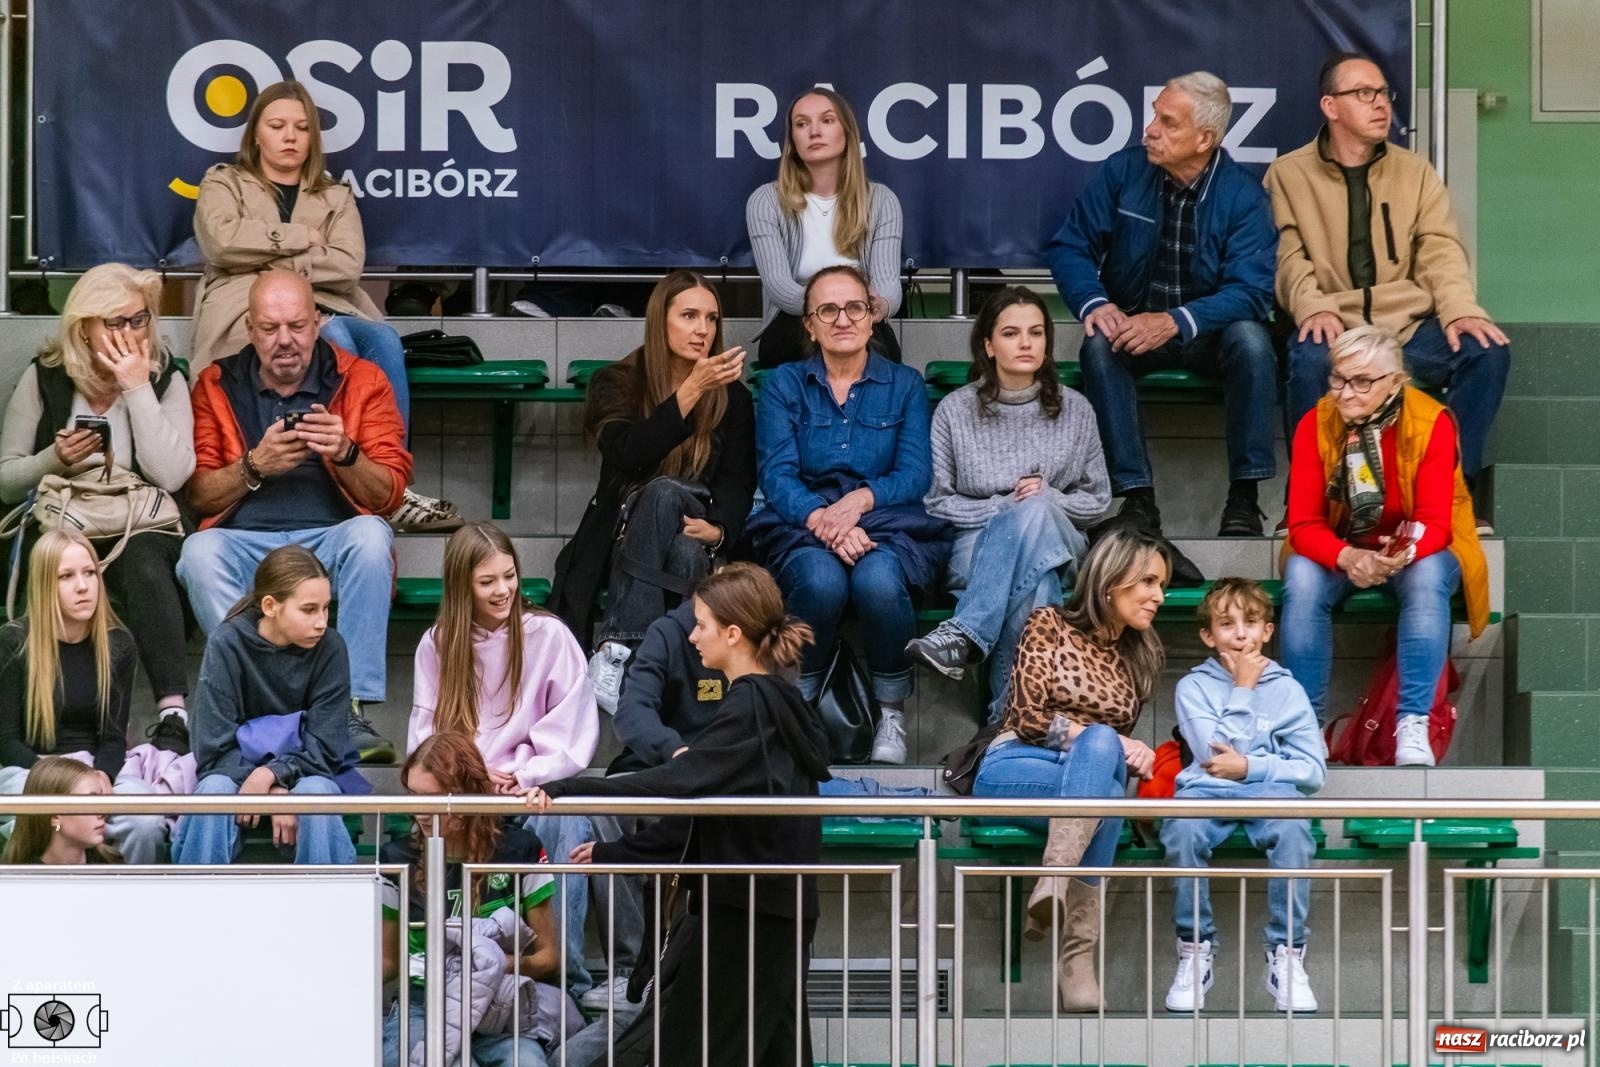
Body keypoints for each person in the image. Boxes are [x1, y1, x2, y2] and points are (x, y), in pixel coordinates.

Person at [528, 563, 831, 1067]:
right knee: (774, 1047)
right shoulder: (773, 701)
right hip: (765, 906)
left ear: (733, 634)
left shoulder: (751, 704)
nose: (692, 637)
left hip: (746, 911)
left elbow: (680, 784)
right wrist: (613, 851)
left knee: (691, 1045)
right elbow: (705, 813)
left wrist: (568, 789)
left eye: (703, 625)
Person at [189, 78, 458, 531]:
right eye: (277, 125)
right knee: (327, 336)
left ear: (313, 136)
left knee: (385, 340)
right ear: (256, 133)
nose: (290, 136)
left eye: (301, 127)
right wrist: (301, 240)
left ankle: (390, 483)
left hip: (336, 303)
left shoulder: (335, 194)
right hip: (249, 308)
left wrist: (264, 252)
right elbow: (221, 243)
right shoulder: (225, 183)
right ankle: (348, 480)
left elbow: (348, 265)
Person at [1267, 52, 1509, 526]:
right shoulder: (1287, 174)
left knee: (1485, 350)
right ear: (1330, 107)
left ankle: (1451, 489)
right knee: (1308, 355)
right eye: (1364, 94)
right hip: (1338, 327)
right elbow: (1286, 257)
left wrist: (1460, 309)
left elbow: (1441, 249)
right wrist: (1312, 306)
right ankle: (1311, 501)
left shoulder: (1414, 172)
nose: (1380, 104)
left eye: (1383, 93)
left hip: (1407, 328)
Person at [177, 269, 409, 763]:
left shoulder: (361, 379)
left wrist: (346, 452)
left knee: (371, 536)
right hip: (246, 542)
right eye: (270, 328)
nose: (285, 340)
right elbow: (197, 494)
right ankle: (258, 703)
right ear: (249, 328)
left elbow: (390, 492)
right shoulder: (217, 383)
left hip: (330, 537)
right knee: (197, 551)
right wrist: (254, 465)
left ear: (319, 321)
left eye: (297, 326)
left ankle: (348, 709)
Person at [1045, 71, 1278, 537]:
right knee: (1097, 344)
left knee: (1253, 342)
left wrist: (1176, 321)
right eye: (1155, 116)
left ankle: (1245, 499)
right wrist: (1094, 303)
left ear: (1204, 138)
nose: (1150, 129)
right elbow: (1069, 246)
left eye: (1168, 122)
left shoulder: (1244, 197)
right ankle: (1136, 499)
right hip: (1136, 330)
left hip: (1206, 336)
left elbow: (1251, 292)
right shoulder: (1122, 170)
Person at [751, 264, 950, 765]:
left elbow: (913, 475)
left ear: (871, 316)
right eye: (828, 310)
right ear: (809, 324)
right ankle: (802, 702)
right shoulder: (782, 385)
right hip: (799, 526)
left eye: (854, 307)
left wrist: (858, 503)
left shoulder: (904, 385)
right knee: (821, 582)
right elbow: (777, 475)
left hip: (886, 524)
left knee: (879, 582)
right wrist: (824, 521)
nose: (843, 319)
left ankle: (890, 712)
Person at [972, 525, 1169, 1011]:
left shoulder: (1138, 657)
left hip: (1081, 789)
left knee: (1107, 784)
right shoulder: (1049, 623)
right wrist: (1112, 740)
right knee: (1102, 751)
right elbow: (1028, 717)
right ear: (1110, 579)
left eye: (1161, 585)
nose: (1158, 596)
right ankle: (1074, 952)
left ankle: (1059, 898)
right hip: (1015, 766)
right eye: (1147, 581)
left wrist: (1119, 750)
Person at [0, 264, 194, 748]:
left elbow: (173, 474)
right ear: (83, 326)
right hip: (66, 513)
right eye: (114, 322)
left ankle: (173, 714)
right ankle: (44, 710)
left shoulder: (165, 376)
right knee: (60, 560)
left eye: (138, 320)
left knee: (147, 563)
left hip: (139, 520)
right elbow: (6, 480)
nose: (128, 333)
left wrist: (136, 387)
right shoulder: (46, 376)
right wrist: (55, 458)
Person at [1280, 325, 1489, 766]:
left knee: (1429, 576)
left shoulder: (1431, 421)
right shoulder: (1314, 424)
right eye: (1338, 378)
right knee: (1300, 576)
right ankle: (1304, 728)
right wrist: (1349, 556)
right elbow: (1302, 523)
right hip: (1343, 547)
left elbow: (1435, 523)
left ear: (1395, 381)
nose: (1345, 393)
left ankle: (1412, 722)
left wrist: (1393, 558)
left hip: (1416, 548)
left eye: (1361, 381)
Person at [408, 521, 600, 1000]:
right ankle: (447, 977)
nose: (503, 590)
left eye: (509, 576)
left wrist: (525, 774)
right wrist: (469, 776)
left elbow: (572, 726)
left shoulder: (549, 635)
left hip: (528, 785)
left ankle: (564, 980)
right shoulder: (436, 643)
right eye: (487, 581)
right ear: (461, 586)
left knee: (562, 823)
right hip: (463, 795)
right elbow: (426, 733)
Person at [549, 271, 755, 714]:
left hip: (696, 523)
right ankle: (678, 690)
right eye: (689, 316)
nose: (703, 329)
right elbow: (628, 456)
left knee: (683, 538)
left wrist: (719, 530)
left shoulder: (733, 398)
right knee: (664, 504)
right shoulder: (616, 382)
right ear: (659, 321)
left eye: (712, 318)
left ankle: (619, 655)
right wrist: (690, 391)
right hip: (620, 533)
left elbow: (738, 480)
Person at [907, 286, 1111, 721]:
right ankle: (1011, 718)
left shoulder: (1077, 409)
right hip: (974, 548)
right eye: (1012, 333)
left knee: (1035, 511)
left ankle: (965, 633)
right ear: (988, 345)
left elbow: (1098, 500)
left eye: (1036, 333)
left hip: (1062, 541)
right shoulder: (954, 411)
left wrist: (1049, 497)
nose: (1025, 343)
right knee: (1038, 583)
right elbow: (936, 501)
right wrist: (1001, 507)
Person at [1161, 578, 1325, 1014]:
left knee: (1293, 830)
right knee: (1182, 829)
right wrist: (1244, 688)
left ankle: (1286, 957)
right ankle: (1195, 950)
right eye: (1226, 623)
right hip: (1205, 793)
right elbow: (1210, 756)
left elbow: (1312, 771)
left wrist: (1251, 766)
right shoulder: (1192, 687)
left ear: (1267, 631)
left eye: (1251, 622)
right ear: (1208, 635)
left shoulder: (1289, 690)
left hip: (1273, 794)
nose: (1240, 633)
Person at [382, 733, 572, 1067]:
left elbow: (548, 958)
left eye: (433, 799)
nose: (420, 812)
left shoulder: (520, 850)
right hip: (422, 1004)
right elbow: (389, 961)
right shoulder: (396, 858)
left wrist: (489, 966)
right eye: (413, 796)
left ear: (467, 794)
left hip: (500, 1005)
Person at [170, 545, 357, 865]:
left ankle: (326, 907)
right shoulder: (227, 643)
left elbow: (326, 748)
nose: (321, 622)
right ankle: (197, 903)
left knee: (315, 794)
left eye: (326, 608)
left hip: (306, 774)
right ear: (271, 606)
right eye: (309, 609)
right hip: (231, 773)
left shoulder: (331, 649)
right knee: (214, 790)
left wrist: (273, 778)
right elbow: (211, 747)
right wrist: (267, 787)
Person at [0, 532, 168, 863]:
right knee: (38, 815)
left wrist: (99, 776)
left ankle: (131, 906)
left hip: (94, 768)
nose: (83, 586)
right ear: (44, 585)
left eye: (90, 573)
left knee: (145, 822)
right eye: (67, 576)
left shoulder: (118, 644)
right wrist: (59, 781)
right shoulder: (13, 642)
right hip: (30, 768)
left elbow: (112, 736)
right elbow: (5, 739)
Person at [747, 87, 903, 368]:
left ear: (847, 132)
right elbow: (778, 286)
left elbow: (889, 288)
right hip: (794, 320)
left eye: (827, 120)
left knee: (882, 353)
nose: (814, 131)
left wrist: (869, 308)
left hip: (859, 317)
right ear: (792, 140)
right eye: (802, 124)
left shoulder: (882, 200)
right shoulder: (766, 200)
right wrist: (827, 309)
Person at [1, 757, 116, 865]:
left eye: (101, 799)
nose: (102, 813)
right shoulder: (20, 881)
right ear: (55, 817)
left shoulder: (114, 869)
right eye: (90, 801)